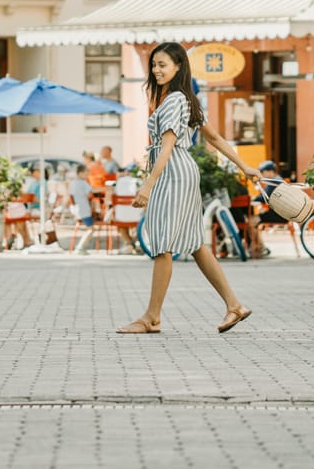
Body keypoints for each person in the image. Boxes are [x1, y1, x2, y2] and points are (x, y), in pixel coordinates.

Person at [116, 42, 259, 335]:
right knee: (195, 244)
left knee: (163, 244)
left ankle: (151, 317)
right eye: (154, 65)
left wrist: (147, 185)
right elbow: (215, 139)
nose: (156, 70)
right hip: (183, 171)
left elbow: (167, 147)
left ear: (179, 66)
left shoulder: (173, 101)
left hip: (172, 173)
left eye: (162, 65)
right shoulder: (186, 99)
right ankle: (234, 305)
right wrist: (244, 166)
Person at [249, 160, 285, 258]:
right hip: (282, 213)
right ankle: (261, 247)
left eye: (262, 172)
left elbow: (265, 197)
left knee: (251, 222)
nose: (261, 175)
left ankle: (260, 248)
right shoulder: (278, 179)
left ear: (269, 171)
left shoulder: (274, 181)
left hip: (278, 214)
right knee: (254, 220)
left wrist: (252, 198)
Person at [69, 164, 96, 253]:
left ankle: (80, 247)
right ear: (80, 173)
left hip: (76, 209)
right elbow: (90, 193)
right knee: (91, 229)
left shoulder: (72, 183)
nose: (87, 175)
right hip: (84, 210)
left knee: (90, 228)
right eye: (86, 173)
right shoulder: (83, 183)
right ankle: (80, 247)